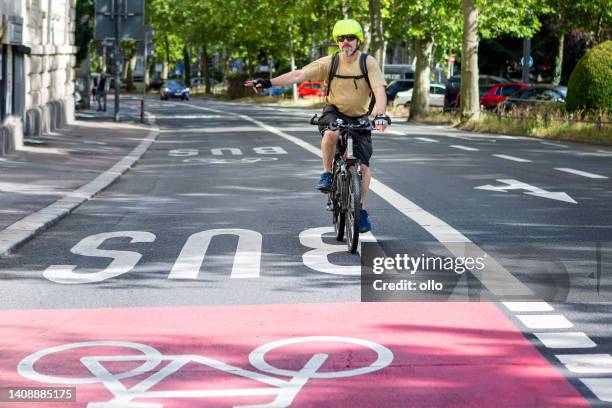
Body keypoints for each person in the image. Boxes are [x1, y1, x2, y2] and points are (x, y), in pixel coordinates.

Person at [245, 19, 390, 233]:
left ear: (358, 41)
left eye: (350, 38)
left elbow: (379, 90)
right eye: (341, 39)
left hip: (359, 116)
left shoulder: (368, 63)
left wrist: (381, 115)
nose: (345, 42)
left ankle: (361, 210)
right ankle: (327, 173)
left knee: (365, 167)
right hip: (335, 111)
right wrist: (268, 83)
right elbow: (298, 75)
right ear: (337, 42)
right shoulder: (329, 63)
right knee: (331, 132)